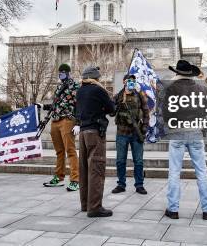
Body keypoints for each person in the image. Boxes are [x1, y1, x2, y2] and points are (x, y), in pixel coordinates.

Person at [162, 60, 207, 220]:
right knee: (202, 171)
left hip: (177, 132)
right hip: (196, 131)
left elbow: (165, 112)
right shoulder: (202, 89)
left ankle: (173, 209)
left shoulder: (169, 89)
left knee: (174, 172)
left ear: (177, 72)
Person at [76, 65, 116, 218]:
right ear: (95, 78)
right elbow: (111, 109)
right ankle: (95, 207)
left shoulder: (80, 91)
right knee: (96, 169)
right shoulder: (98, 90)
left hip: (83, 132)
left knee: (84, 169)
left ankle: (85, 204)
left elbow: (78, 112)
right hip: (95, 133)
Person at [42, 64, 80, 191]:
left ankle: (75, 180)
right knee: (59, 151)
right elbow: (56, 104)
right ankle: (59, 177)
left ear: (68, 73)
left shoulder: (74, 86)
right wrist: (43, 107)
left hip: (67, 120)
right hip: (56, 120)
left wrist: (78, 123)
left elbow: (78, 105)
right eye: (59, 73)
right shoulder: (59, 87)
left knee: (70, 150)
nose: (60, 75)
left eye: (63, 72)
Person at [112, 74, 149, 195]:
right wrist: (117, 104)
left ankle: (139, 185)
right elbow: (111, 112)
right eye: (129, 80)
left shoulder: (139, 95)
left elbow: (146, 112)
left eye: (133, 80)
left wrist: (144, 127)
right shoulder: (118, 96)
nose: (131, 82)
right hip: (122, 133)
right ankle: (121, 184)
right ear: (124, 82)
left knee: (138, 161)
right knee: (120, 161)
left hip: (136, 132)